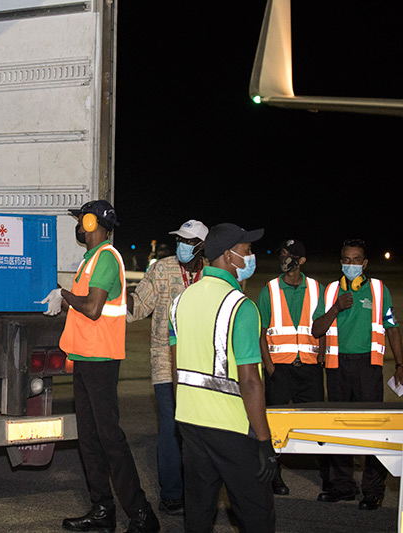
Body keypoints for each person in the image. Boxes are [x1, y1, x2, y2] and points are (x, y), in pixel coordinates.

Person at [45, 200, 160, 533]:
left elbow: (94, 309)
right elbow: (88, 312)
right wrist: (65, 299)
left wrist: (63, 295)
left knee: (110, 438)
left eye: (81, 220)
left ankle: (141, 514)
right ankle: (102, 510)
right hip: (85, 358)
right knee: (90, 440)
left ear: (93, 223)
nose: (78, 226)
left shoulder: (107, 259)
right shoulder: (90, 261)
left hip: (101, 361)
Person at [169, 223, 276, 533]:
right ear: (229, 257)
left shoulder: (181, 302)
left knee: (199, 515)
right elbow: (251, 381)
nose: (251, 256)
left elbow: (178, 369)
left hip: (190, 423)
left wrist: (185, 413)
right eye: (247, 251)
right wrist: (264, 441)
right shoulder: (241, 307)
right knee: (256, 513)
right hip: (231, 426)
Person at [312, 239, 403, 511]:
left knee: (372, 429)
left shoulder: (378, 289)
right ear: (341, 261)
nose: (350, 264)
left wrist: (400, 364)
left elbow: (392, 328)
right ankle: (343, 487)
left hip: (368, 366)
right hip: (337, 366)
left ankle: (373, 491)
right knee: (339, 426)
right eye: (346, 259)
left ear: (364, 264)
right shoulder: (330, 292)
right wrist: (336, 308)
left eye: (356, 260)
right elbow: (317, 329)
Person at [126, 219, 209, 516]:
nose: (181, 246)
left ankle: (200, 492)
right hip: (165, 363)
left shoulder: (213, 274)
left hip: (204, 365)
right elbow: (138, 307)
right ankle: (172, 494)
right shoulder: (162, 268)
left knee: (201, 431)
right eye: (179, 240)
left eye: (188, 242)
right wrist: (110, 297)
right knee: (171, 428)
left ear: (201, 246)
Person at [257, 239, 326, 496]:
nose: (284, 258)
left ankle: (327, 476)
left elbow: (325, 326)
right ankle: (275, 477)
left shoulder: (317, 289)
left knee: (318, 425)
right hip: (280, 370)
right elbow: (261, 332)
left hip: (309, 369)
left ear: (301, 260)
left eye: (289, 254)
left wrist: (321, 358)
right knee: (275, 426)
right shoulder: (270, 290)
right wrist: (269, 366)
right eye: (282, 253)